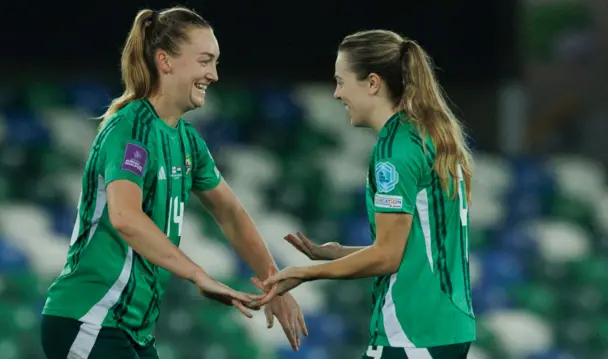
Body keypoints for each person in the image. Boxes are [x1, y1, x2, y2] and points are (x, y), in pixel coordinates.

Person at [41, 7, 306, 359]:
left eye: (215, 63)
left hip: (131, 330)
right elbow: (125, 217)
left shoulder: (187, 140)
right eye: (205, 61)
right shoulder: (131, 129)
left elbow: (230, 213)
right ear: (165, 61)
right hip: (89, 319)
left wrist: (275, 284)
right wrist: (198, 274)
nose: (213, 74)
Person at [254, 30, 475, 359]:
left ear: (372, 83)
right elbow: (416, 245)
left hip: (412, 330)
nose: (336, 94)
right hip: (447, 326)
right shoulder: (430, 137)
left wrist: (303, 273)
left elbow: (388, 256)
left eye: (341, 81)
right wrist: (336, 253)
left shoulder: (394, 149)